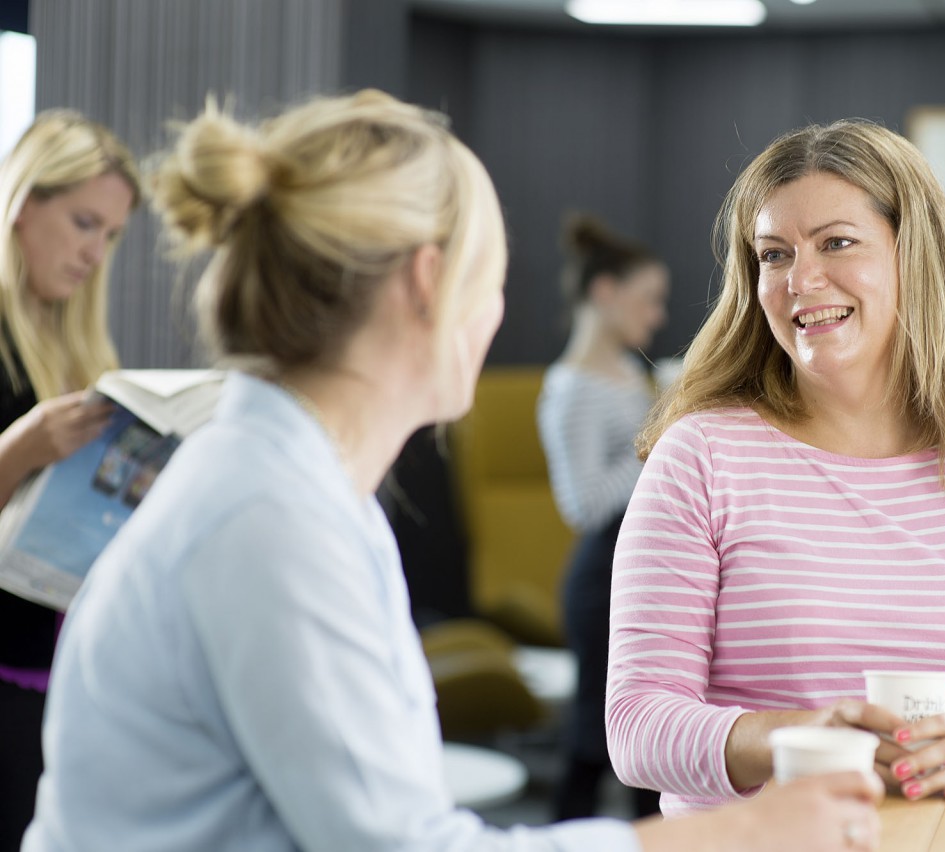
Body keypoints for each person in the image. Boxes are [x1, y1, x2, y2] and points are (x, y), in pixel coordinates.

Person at [23, 91, 883, 852]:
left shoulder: (289, 488)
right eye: (493, 276)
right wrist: (741, 834)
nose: (496, 311)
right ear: (429, 282)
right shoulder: (269, 519)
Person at [605, 119, 945, 816]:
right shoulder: (700, 456)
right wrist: (799, 739)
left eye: (837, 243)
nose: (801, 280)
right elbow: (637, 727)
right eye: (774, 255)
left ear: (918, 256)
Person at [0, 110, 139, 849]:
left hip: (63, 668)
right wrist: (21, 449)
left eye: (110, 235)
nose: (95, 252)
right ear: (23, 203)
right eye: (85, 223)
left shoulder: (77, 346)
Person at [537, 213, 668, 820]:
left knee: (650, 737)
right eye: (648, 299)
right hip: (603, 579)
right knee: (594, 739)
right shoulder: (572, 388)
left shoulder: (631, 372)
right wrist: (658, 438)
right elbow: (583, 503)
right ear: (605, 291)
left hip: (641, 569)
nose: (656, 316)